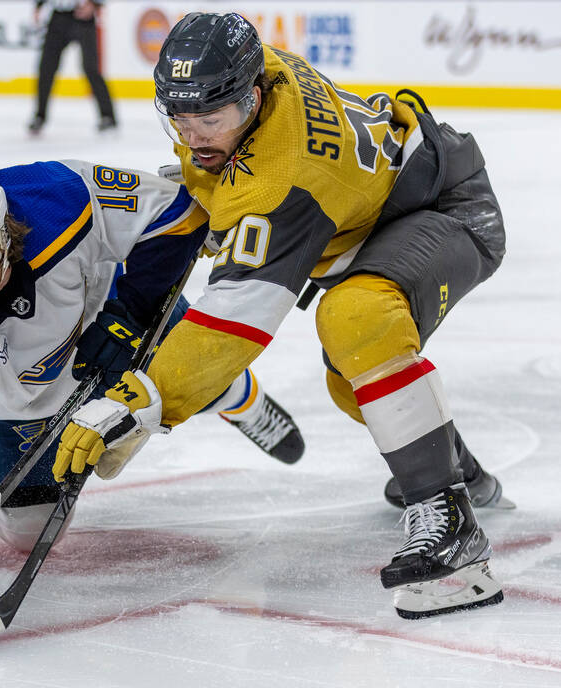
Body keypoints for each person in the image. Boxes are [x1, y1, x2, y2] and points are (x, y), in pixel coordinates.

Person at [55, 12, 511, 619]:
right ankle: (461, 472)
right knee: (357, 384)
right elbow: (236, 175)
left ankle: (451, 522)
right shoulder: (251, 74)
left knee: (356, 319)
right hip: (368, 213)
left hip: (444, 208)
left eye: (209, 120)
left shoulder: (285, 175)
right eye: (179, 120)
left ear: (254, 97)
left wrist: (147, 397)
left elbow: (234, 322)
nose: (194, 136)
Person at [0, 158, 304, 590]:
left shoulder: (57, 197)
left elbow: (176, 213)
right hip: (18, 404)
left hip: (105, 328)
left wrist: (130, 315)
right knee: (30, 532)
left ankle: (237, 396)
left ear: (4, 238)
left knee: (194, 374)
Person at [29, 0, 117, 136]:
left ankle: (108, 116)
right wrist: (38, 5)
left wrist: (94, 4)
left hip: (83, 17)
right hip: (58, 16)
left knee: (91, 68)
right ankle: (39, 116)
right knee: (46, 68)